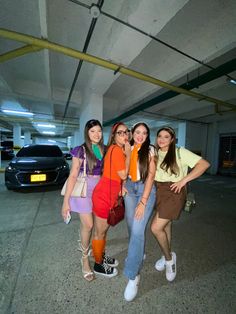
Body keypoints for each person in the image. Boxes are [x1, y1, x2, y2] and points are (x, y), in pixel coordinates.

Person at [151, 126, 210, 282]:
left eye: (166, 137)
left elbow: (204, 164)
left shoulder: (179, 152)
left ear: (172, 139)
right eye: (159, 136)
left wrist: (184, 181)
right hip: (159, 190)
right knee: (166, 225)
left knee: (156, 228)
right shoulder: (156, 153)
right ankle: (166, 254)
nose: (162, 139)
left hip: (174, 191)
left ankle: (170, 260)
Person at [61, 119, 105, 282]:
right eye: (92, 131)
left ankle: (84, 241)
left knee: (91, 223)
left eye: (99, 131)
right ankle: (85, 258)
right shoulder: (80, 150)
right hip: (84, 188)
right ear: (87, 133)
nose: (96, 134)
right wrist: (66, 202)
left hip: (99, 188)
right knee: (89, 224)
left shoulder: (104, 149)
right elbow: (73, 175)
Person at [92, 122, 131, 277]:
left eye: (126, 132)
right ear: (114, 136)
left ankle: (100, 256)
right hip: (104, 196)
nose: (124, 135)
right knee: (99, 233)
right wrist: (128, 154)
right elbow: (123, 174)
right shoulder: (116, 150)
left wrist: (121, 187)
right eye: (120, 133)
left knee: (103, 231)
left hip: (109, 193)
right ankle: (98, 264)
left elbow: (114, 175)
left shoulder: (116, 150)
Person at [123, 122, 157, 302]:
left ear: (147, 135)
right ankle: (139, 251)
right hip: (129, 187)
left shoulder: (150, 150)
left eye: (144, 133)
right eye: (138, 132)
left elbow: (151, 175)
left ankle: (133, 275)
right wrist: (122, 185)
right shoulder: (127, 148)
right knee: (130, 225)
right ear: (132, 133)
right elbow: (122, 170)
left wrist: (143, 201)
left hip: (146, 189)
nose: (140, 136)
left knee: (137, 229)